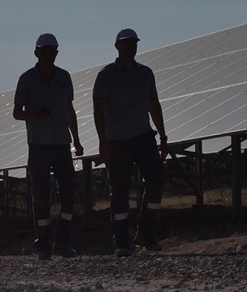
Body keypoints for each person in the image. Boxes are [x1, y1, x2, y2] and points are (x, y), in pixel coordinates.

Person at [92, 28, 168, 257]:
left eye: (133, 43)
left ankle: (146, 234)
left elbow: (154, 104)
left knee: (156, 179)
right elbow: (98, 109)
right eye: (126, 43)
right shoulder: (106, 75)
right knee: (119, 190)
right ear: (117, 46)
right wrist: (103, 141)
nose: (130, 47)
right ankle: (122, 242)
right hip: (117, 140)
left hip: (144, 136)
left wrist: (163, 137)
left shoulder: (145, 73)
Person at [13, 33, 84, 260]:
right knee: (41, 196)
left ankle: (62, 241)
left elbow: (69, 110)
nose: (48, 55)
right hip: (39, 146)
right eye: (44, 51)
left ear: (57, 53)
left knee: (69, 195)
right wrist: (35, 116)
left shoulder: (64, 78)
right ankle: (43, 244)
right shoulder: (26, 80)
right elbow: (17, 112)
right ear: (36, 53)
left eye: (52, 51)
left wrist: (77, 139)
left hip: (62, 145)